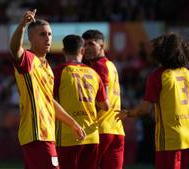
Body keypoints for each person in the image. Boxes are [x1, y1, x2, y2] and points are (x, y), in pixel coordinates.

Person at [119, 33, 189, 169]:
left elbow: (146, 109)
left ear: (160, 52)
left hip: (169, 140)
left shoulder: (158, 76)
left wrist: (128, 113)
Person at [9, 10, 86, 169]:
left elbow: (49, 101)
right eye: (42, 34)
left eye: (50, 34)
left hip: (46, 133)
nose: (48, 38)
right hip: (36, 133)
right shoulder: (28, 59)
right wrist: (23, 24)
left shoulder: (48, 68)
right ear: (30, 38)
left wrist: (73, 124)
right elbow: (14, 49)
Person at [53, 35, 109, 169]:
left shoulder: (58, 72)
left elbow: (48, 101)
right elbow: (105, 105)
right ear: (83, 51)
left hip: (67, 136)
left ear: (63, 51)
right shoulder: (94, 73)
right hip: (91, 136)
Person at [82, 30, 125, 169]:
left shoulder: (98, 66)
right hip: (117, 130)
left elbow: (101, 101)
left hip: (100, 130)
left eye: (90, 44)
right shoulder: (111, 65)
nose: (86, 48)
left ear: (102, 46)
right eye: (84, 45)